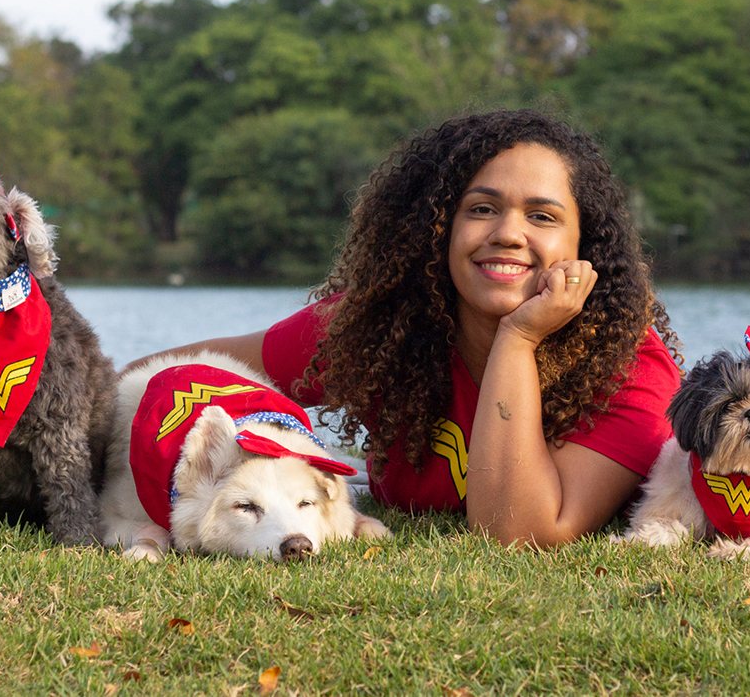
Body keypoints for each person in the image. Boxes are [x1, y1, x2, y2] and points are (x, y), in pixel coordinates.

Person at [129, 109, 682, 548]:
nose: (509, 234)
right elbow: (181, 372)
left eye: (542, 216)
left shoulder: (630, 371)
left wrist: (519, 339)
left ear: (584, 246)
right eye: (481, 208)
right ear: (436, 229)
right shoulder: (381, 324)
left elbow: (518, 533)